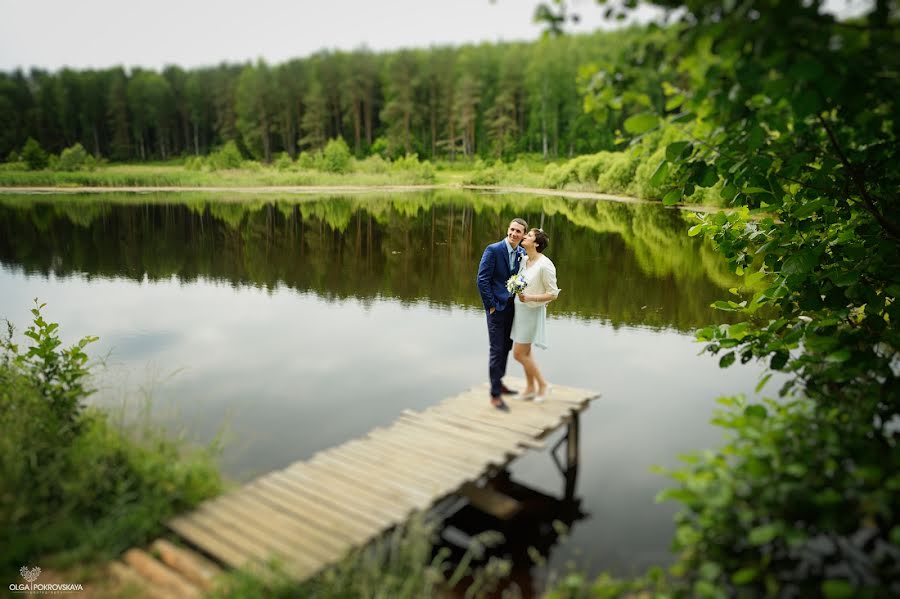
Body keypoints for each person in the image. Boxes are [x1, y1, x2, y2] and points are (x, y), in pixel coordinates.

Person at [477, 218, 528, 411]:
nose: (514, 234)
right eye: (512, 230)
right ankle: (495, 394)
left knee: (506, 346)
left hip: (513, 309)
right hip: (496, 308)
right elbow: (482, 280)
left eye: (518, 232)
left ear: (523, 235)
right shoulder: (493, 250)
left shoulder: (522, 253)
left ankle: (499, 382)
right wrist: (491, 306)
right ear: (508, 230)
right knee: (496, 349)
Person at [511, 228, 560, 402]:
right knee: (526, 352)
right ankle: (531, 388)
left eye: (529, 236)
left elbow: (553, 294)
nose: (524, 236)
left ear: (536, 244)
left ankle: (544, 384)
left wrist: (530, 297)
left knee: (518, 354)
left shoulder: (545, 265)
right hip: (521, 311)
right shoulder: (525, 260)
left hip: (532, 312)